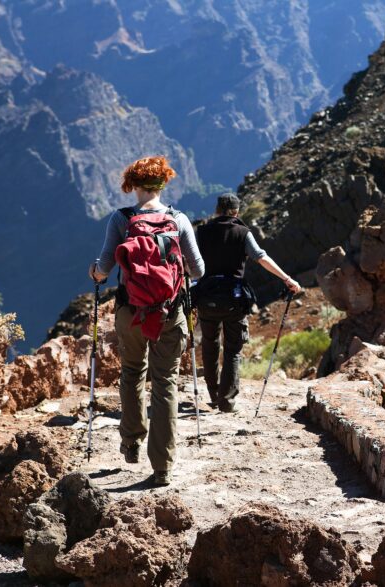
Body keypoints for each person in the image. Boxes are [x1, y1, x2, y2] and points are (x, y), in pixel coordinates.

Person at [89, 156, 205, 486]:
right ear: (163, 183)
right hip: (170, 311)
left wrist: (94, 271)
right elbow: (198, 270)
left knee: (132, 370)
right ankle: (163, 467)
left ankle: (131, 441)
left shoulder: (121, 219)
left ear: (133, 185)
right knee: (165, 382)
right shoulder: (179, 220)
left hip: (130, 311)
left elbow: (105, 266)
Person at [195, 194, 301, 413]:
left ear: (217, 210)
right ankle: (227, 401)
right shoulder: (243, 233)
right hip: (234, 300)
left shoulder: (202, 232)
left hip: (206, 298)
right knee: (233, 350)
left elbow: (190, 262)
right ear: (236, 212)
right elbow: (261, 257)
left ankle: (213, 395)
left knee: (210, 344)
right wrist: (287, 279)